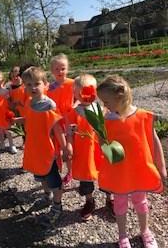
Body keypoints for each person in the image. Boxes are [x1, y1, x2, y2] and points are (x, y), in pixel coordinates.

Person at [97, 75, 167, 248]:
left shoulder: (142, 116)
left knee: (141, 202)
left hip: (137, 172)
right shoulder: (106, 121)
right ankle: (122, 236)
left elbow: (154, 142)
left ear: (119, 96)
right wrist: (100, 136)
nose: (104, 106)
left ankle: (145, 231)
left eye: (106, 101)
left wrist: (162, 168)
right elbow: (104, 147)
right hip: (120, 174)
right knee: (120, 204)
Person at [17, 66, 68, 227]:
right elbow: (30, 120)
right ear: (24, 86)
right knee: (40, 174)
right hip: (34, 147)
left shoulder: (49, 105)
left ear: (45, 84)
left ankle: (57, 205)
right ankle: (46, 196)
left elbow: (57, 128)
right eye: (28, 84)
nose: (33, 87)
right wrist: (18, 120)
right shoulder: (29, 103)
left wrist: (65, 147)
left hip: (48, 149)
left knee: (53, 178)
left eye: (37, 83)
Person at [66, 74, 112, 221]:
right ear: (75, 95)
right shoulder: (73, 113)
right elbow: (70, 133)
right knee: (85, 179)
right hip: (84, 152)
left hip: (100, 150)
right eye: (81, 93)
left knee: (106, 175)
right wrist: (69, 146)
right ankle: (89, 201)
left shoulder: (102, 110)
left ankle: (109, 198)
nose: (86, 96)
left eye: (89, 92)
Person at [47, 53, 74, 186]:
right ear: (52, 71)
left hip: (70, 119)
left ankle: (71, 170)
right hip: (57, 121)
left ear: (67, 69)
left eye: (63, 68)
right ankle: (61, 171)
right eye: (57, 69)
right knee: (60, 147)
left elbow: (78, 99)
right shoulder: (50, 88)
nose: (60, 72)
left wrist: (72, 108)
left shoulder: (72, 83)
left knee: (71, 147)